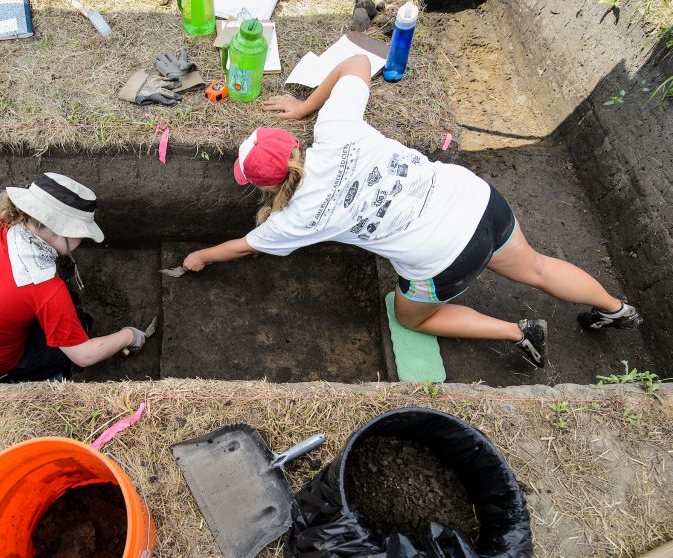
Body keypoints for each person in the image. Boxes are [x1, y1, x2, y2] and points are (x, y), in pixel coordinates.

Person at [181, 55, 641, 368]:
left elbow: (242, 248)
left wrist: (199, 257)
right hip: (475, 201)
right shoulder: (336, 127)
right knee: (537, 267)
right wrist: (306, 106)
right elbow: (359, 62)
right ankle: (616, 309)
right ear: (295, 145)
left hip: (442, 257)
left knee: (410, 318)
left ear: (265, 185)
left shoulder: (294, 219)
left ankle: (516, 332)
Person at [0, 173, 150, 383]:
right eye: (80, 234)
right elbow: (84, 355)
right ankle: (20, 377)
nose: (81, 241)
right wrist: (129, 335)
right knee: (58, 354)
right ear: (60, 232)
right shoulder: (45, 288)